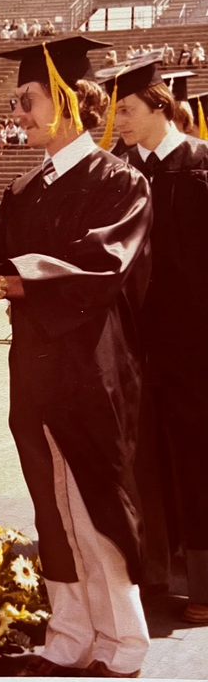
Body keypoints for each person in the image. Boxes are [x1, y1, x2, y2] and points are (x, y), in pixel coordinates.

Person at [0, 36, 153, 677]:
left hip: (91, 364)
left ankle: (123, 643)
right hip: (35, 365)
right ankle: (70, 635)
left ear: (70, 101)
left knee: (96, 498)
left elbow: (101, 266)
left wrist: (6, 283)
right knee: (50, 499)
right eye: (16, 102)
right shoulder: (26, 188)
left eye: (27, 100)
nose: (17, 114)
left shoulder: (119, 181)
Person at [102, 54, 208, 625]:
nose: (118, 121)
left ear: (159, 106)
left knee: (196, 452)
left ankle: (204, 581)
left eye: (127, 110)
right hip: (135, 339)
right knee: (142, 456)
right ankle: (154, 570)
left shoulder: (199, 164)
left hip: (194, 339)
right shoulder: (120, 171)